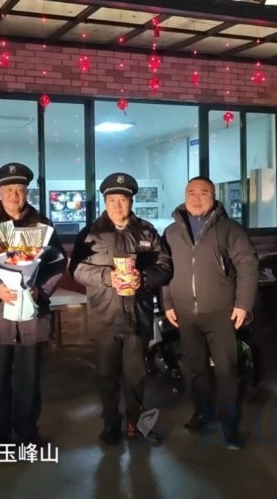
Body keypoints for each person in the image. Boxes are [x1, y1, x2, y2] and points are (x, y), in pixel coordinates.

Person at [0, 162, 67, 446]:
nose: (14, 195)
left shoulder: (43, 225)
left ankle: (28, 433)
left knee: (29, 379)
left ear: (26, 192)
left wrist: (39, 289)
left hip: (32, 313)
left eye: (19, 189)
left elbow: (57, 263)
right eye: (8, 189)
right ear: (0, 192)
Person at [70, 173, 172, 445]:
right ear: (105, 202)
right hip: (105, 317)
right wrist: (107, 277)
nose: (117, 205)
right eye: (112, 200)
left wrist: (145, 278)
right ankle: (110, 424)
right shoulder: (91, 233)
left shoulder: (147, 231)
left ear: (131, 201)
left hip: (138, 316)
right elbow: (77, 270)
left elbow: (165, 266)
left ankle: (136, 424)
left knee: (136, 376)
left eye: (123, 199)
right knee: (107, 376)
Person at [161, 176, 258, 449]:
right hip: (185, 314)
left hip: (221, 314)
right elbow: (164, 270)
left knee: (227, 371)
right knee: (196, 370)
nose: (196, 198)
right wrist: (167, 302)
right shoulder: (171, 232)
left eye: (203, 193)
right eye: (191, 192)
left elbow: (248, 266)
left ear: (214, 197)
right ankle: (202, 413)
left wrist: (243, 304)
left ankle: (230, 423)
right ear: (184, 196)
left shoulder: (230, 229)